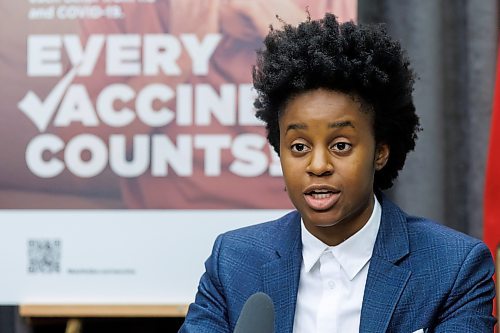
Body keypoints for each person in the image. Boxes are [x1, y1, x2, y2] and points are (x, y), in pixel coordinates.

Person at [179, 13, 496, 332]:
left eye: (341, 145)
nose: (318, 166)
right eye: (299, 147)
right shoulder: (234, 262)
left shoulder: (453, 267)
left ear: (380, 152)